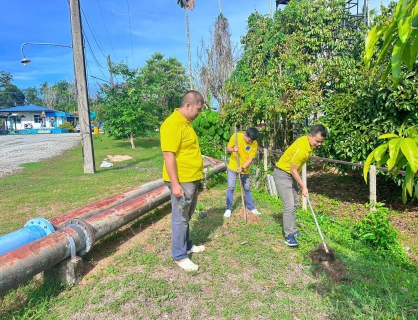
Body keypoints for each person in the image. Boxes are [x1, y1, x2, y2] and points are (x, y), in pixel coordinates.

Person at [160, 90, 205, 272]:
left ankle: (187, 245)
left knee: (187, 215)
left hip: (191, 178)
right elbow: (168, 155)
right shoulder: (172, 124)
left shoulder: (186, 122)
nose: (199, 113)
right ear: (188, 105)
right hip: (182, 180)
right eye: (198, 109)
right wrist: (176, 184)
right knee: (180, 218)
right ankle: (180, 256)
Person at [273, 124, 328, 247]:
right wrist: (303, 186)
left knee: (295, 203)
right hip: (283, 174)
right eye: (318, 141)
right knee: (289, 205)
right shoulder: (302, 149)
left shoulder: (307, 142)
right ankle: (288, 236)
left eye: (321, 142)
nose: (319, 144)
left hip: (291, 174)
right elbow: (293, 169)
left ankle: (293, 229)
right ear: (310, 136)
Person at [224, 127, 261, 218]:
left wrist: (243, 168)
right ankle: (228, 209)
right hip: (233, 166)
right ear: (245, 135)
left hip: (244, 168)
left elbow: (250, 159)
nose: (251, 142)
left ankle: (251, 208)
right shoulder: (236, 137)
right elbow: (228, 148)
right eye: (249, 140)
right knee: (231, 186)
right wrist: (233, 150)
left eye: (252, 140)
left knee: (247, 188)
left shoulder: (254, 143)